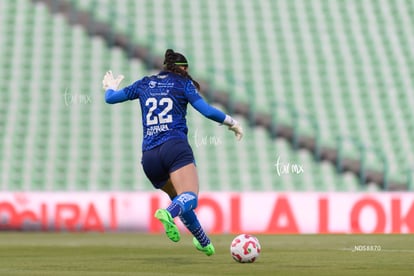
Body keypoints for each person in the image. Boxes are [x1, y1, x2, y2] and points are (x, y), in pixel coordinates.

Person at [102, 49, 243, 256]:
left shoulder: (144, 83)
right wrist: (232, 122)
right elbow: (207, 111)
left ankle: (204, 242)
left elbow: (111, 99)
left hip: (149, 156)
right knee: (190, 196)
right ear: (183, 69)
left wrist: (110, 88)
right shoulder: (182, 83)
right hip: (174, 147)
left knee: (180, 198)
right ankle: (168, 214)